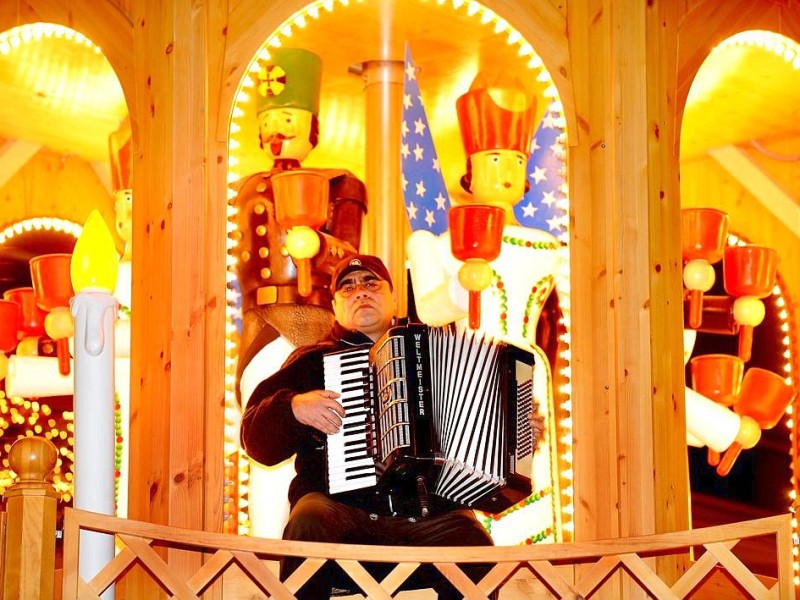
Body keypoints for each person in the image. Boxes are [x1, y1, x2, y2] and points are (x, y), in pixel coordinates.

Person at [240, 253, 537, 599]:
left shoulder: (434, 347)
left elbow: (491, 423)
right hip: (342, 516)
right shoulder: (311, 361)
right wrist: (291, 408)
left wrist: (520, 428)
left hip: (430, 518)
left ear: (392, 297)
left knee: (475, 543)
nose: (360, 292)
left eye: (371, 283)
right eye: (347, 287)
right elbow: (254, 439)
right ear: (335, 306)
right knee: (308, 519)